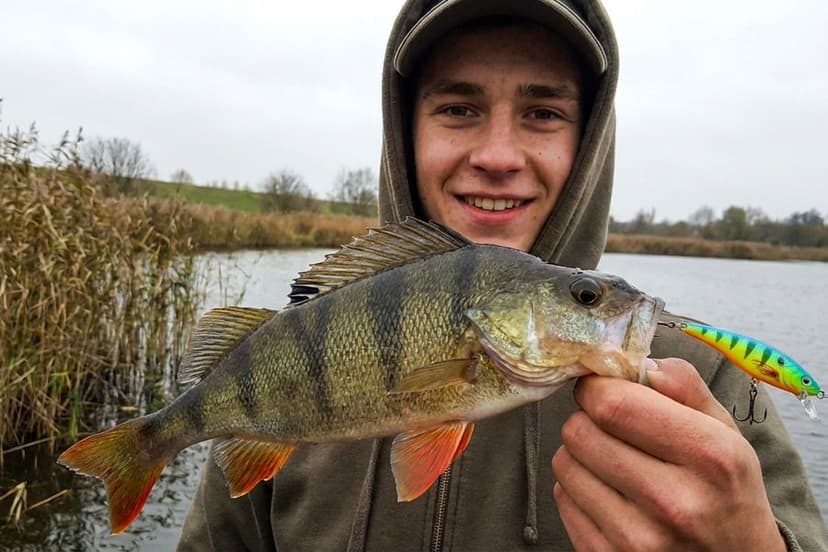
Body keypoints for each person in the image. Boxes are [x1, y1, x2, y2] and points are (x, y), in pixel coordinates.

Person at [178, 1, 828, 550]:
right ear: (405, 133)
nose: (497, 156)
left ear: (588, 145)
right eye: (459, 108)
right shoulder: (282, 355)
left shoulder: (706, 382)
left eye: (543, 113)